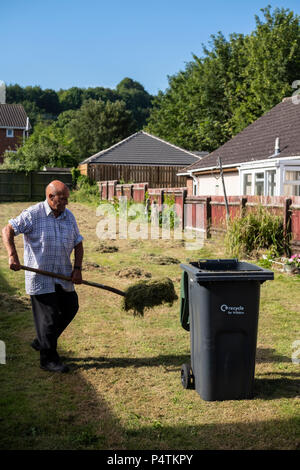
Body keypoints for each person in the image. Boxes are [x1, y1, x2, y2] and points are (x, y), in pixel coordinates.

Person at [2, 180, 83, 373]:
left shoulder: (68, 217)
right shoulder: (34, 214)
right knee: (49, 317)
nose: (66, 203)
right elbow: (8, 230)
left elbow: (78, 243)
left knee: (71, 306)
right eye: (62, 199)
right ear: (50, 197)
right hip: (41, 277)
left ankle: (42, 340)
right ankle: (48, 359)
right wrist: (12, 254)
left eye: (67, 199)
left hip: (62, 274)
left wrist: (77, 268)